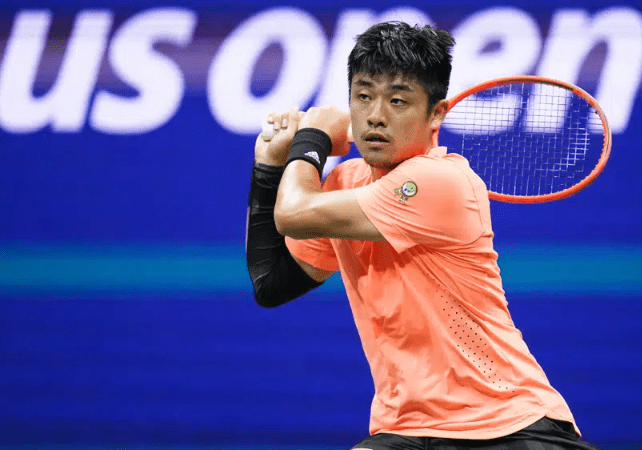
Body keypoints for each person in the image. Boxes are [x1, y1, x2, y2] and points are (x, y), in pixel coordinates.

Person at [246, 21, 599, 450]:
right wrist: (268, 164)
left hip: (508, 423)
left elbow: (292, 214)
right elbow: (272, 283)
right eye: (363, 96)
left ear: (436, 114)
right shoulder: (346, 183)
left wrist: (311, 138)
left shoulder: (438, 181)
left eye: (398, 100)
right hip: (406, 429)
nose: (376, 115)